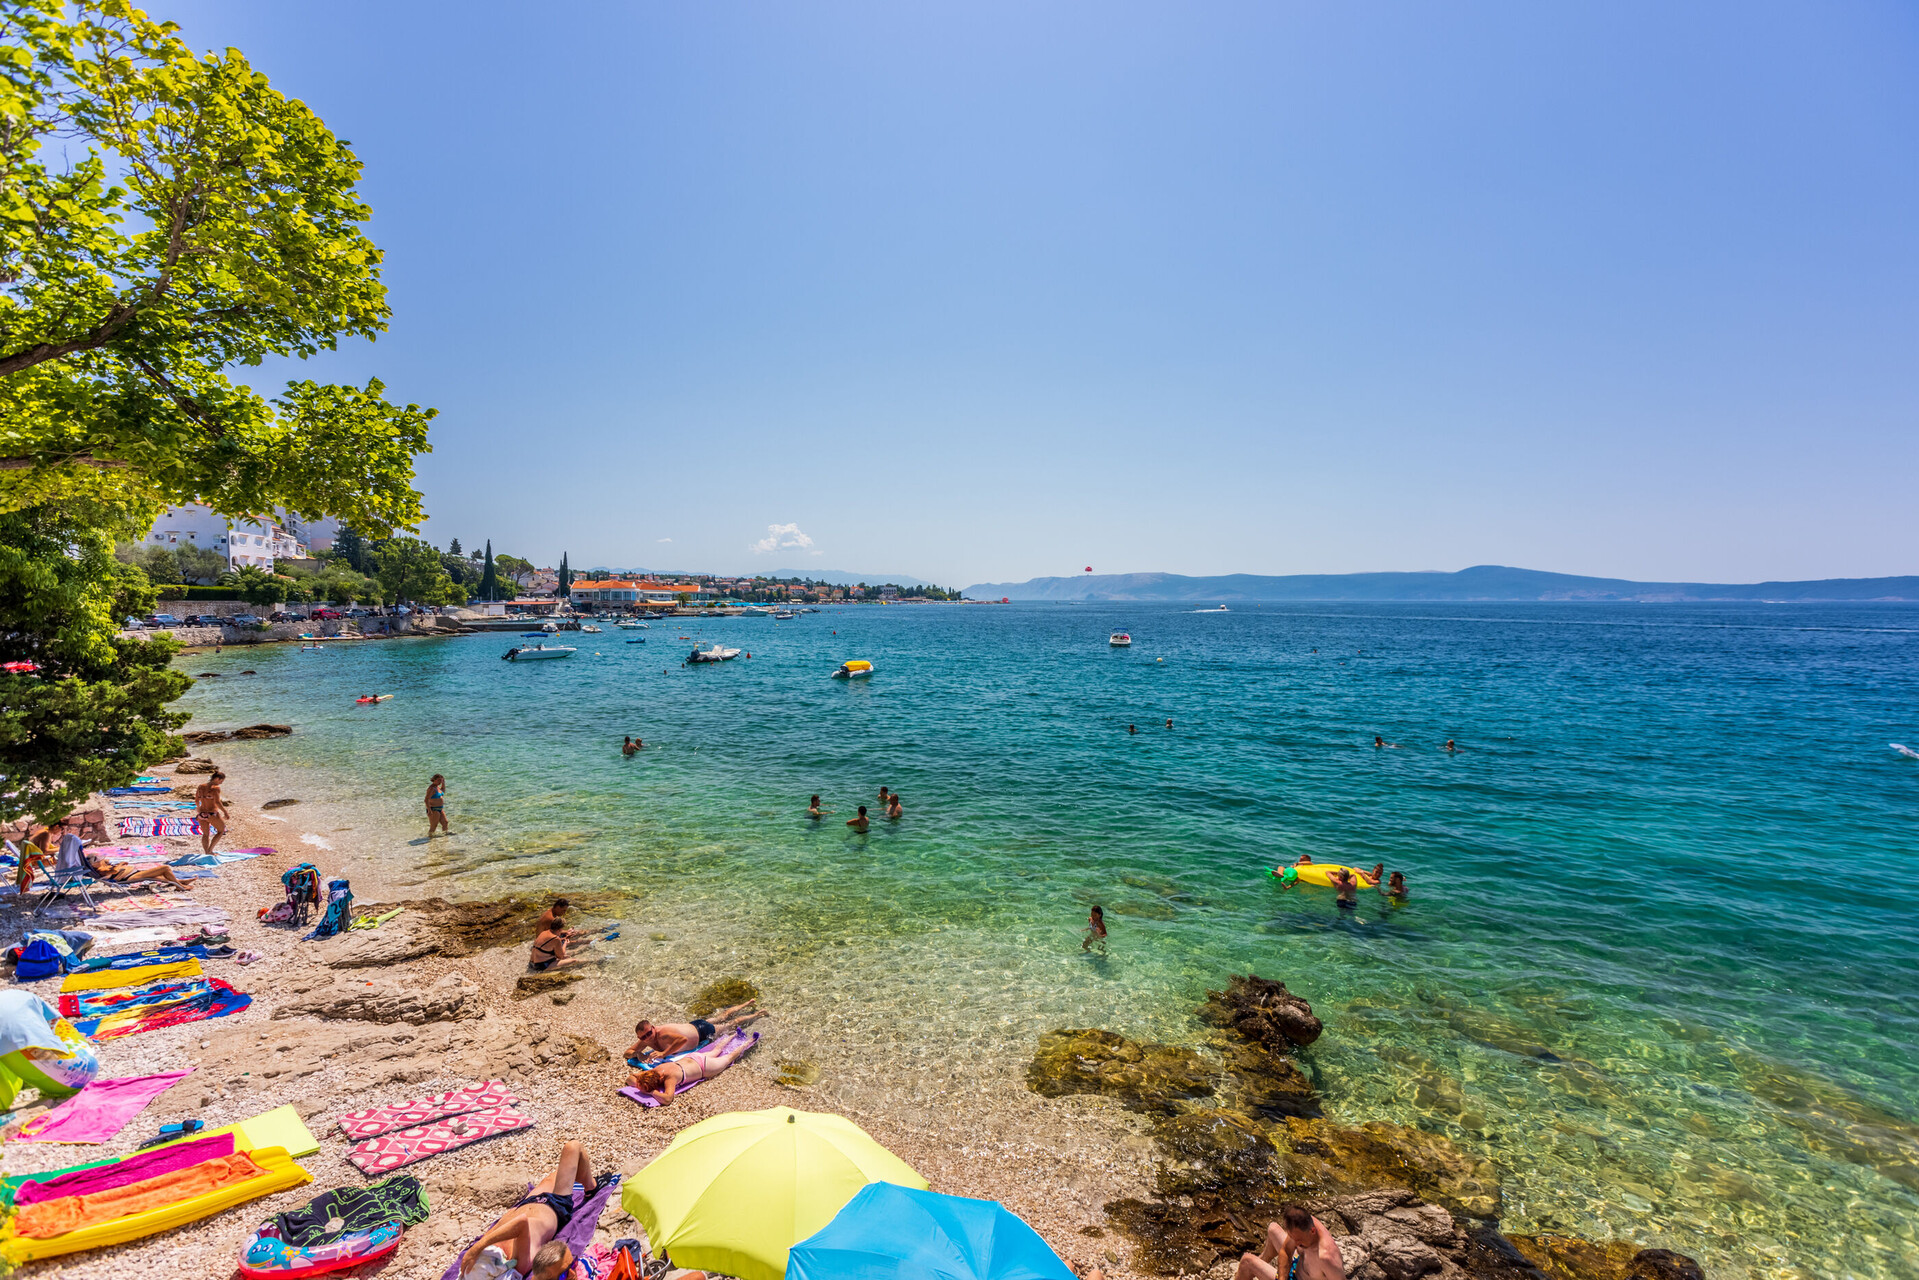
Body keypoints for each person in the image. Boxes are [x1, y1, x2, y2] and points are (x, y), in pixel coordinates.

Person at [458, 1141, 600, 1280]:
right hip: (555, 1205)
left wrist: (478, 1248)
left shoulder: (491, 1255)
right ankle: (591, 1186)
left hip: (528, 1202)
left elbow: (505, 1223)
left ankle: (582, 1177)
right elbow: (521, 1222)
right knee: (572, 1148)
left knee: (560, 1174)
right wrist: (477, 1248)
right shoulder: (519, 1265)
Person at [625, 1032, 758, 1106]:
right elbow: (630, 1078)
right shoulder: (654, 1071)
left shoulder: (669, 1078)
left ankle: (751, 1040)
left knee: (729, 1058)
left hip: (704, 1067)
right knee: (717, 1050)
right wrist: (641, 1084)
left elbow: (667, 1099)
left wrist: (650, 1092)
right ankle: (734, 1034)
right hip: (694, 1057)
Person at [629, 1001, 763, 1063]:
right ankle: (748, 1003)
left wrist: (663, 1053)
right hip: (694, 1024)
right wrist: (638, 1054)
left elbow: (683, 1040)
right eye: (644, 1037)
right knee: (722, 1016)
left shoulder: (663, 1034)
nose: (648, 1037)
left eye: (649, 1033)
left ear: (653, 1028)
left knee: (731, 1024)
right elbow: (627, 1052)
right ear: (639, 1038)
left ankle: (757, 1014)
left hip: (702, 1031)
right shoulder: (646, 1041)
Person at [1234, 1205, 1345, 1280]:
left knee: (1246, 1261)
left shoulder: (1326, 1258)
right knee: (1273, 1228)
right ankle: (1261, 1262)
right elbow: (1286, 1250)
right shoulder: (1305, 1224)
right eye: (1293, 1238)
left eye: (1299, 1240)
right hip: (1295, 1267)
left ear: (1312, 1231)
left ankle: (1253, 1270)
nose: (1295, 1244)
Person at [84, 849, 192, 890]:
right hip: (130, 877)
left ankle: (180, 882)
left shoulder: (103, 865)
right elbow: (115, 871)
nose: (102, 859)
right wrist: (120, 864)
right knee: (165, 868)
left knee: (160, 876)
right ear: (95, 864)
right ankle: (180, 886)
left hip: (132, 873)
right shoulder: (101, 870)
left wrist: (106, 862)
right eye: (98, 860)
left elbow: (108, 862)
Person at [528, 922, 596, 972]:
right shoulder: (556, 939)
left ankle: (588, 950)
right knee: (574, 960)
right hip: (541, 965)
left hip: (532, 963)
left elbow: (549, 945)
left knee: (568, 955)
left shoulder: (544, 932)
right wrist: (565, 943)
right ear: (559, 930)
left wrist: (564, 938)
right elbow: (561, 956)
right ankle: (593, 962)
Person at [196, 771, 229, 854]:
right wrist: (225, 812)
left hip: (201, 814)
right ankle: (210, 850)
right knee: (221, 830)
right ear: (217, 779)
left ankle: (206, 852)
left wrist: (198, 809)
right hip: (211, 814)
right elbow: (217, 802)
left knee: (205, 834)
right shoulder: (216, 788)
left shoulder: (201, 786)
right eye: (221, 781)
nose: (221, 783)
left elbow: (196, 800)